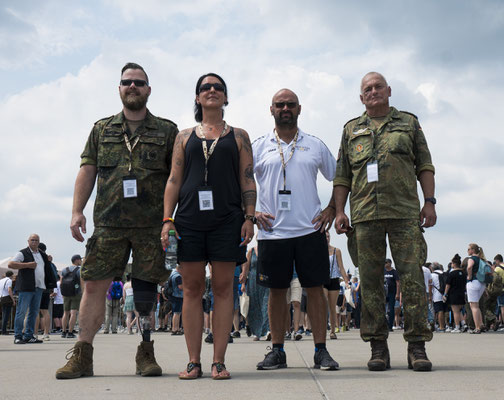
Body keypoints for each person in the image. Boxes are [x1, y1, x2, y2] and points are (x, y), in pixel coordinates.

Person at [55, 63, 178, 379]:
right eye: (127, 82)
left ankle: (146, 354)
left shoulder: (167, 131)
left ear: (148, 89)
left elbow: (176, 178)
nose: (133, 86)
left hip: (151, 225)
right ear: (119, 88)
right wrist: (76, 211)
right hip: (108, 224)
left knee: (147, 290)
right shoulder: (102, 129)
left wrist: (170, 219)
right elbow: (87, 170)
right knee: (93, 284)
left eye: (139, 82)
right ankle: (82, 356)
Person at [333, 72, 436, 372]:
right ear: (361, 97)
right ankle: (378, 347)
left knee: (413, 279)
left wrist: (429, 202)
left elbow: (425, 165)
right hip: (365, 215)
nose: (374, 91)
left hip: (405, 212)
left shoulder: (409, 123)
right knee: (371, 283)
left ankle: (417, 346)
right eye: (368, 89)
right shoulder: (351, 129)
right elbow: (343, 176)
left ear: (389, 91)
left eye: (378, 87)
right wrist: (340, 211)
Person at [161, 72, 255, 380]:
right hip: (188, 220)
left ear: (226, 97)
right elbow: (174, 179)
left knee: (224, 288)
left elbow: (247, 178)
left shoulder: (239, 135)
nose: (212, 91)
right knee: (191, 289)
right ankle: (193, 360)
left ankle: (218, 360)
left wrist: (249, 216)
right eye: (205, 88)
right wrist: (167, 219)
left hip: (227, 220)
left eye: (218, 87)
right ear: (198, 98)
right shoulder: (184, 136)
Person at [253, 88, 339, 371]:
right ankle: (277, 351)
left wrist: (332, 210)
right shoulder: (259, 146)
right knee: (276, 292)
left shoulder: (314, 144)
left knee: (315, 290)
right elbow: (237, 181)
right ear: (271, 109)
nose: (285, 108)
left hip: (309, 230)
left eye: (290, 104)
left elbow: (340, 178)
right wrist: (250, 212)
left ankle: (321, 350)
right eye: (280, 104)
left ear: (299, 109)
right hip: (272, 232)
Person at [8, 234, 57, 344]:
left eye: (36, 240)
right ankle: (18, 335)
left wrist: (49, 259)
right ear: (28, 241)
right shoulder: (22, 253)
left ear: (39, 242)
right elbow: (11, 264)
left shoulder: (41, 254)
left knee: (34, 313)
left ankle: (29, 336)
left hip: (39, 287)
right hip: (26, 287)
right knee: (21, 312)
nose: (34, 242)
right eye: (32, 240)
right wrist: (27, 265)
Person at [324, 231, 349, 340]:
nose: (327, 238)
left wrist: (346, 281)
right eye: (325, 236)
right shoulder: (317, 250)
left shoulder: (336, 251)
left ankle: (333, 331)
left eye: (328, 236)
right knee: (324, 304)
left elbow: (341, 268)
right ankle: (322, 329)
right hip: (322, 280)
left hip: (334, 280)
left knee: (332, 307)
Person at [241, 246, 270, 340]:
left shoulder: (266, 249)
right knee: (254, 306)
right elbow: (245, 269)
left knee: (265, 304)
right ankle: (256, 332)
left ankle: (266, 331)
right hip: (253, 281)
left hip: (265, 279)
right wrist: (243, 284)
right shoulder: (251, 251)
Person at [465, 243, 487, 334]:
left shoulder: (472, 259)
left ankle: (477, 327)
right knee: (476, 306)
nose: (468, 251)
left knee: (473, 306)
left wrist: (469, 276)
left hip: (473, 282)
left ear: (473, 250)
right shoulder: (481, 259)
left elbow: (469, 267)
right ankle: (481, 324)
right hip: (481, 283)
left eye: (469, 249)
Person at [60, 254, 83, 339]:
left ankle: (63, 332)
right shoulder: (79, 270)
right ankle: (70, 332)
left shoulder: (64, 270)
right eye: (80, 260)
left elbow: (61, 282)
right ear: (76, 260)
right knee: (73, 313)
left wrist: (62, 292)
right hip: (76, 293)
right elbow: (82, 282)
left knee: (65, 312)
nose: (81, 261)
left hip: (65, 293)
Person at [443, 254, 466, 333]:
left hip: (454, 294)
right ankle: (464, 324)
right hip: (461, 293)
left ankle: (457, 327)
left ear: (453, 263)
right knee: (459, 311)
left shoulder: (452, 274)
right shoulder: (463, 273)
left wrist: (445, 294)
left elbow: (447, 285)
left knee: (455, 311)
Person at [384, 259, 400, 332]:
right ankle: (384, 325)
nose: (385, 264)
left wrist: (397, 293)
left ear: (390, 263)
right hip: (384, 293)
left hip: (392, 293)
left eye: (386, 263)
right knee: (383, 309)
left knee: (391, 309)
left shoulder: (394, 272)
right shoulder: (383, 271)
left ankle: (390, 326)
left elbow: (398, 283)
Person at [1, 270, 15, 335]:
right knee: (6, 315)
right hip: (7, 298)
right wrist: (13, 299)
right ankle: (4, 331)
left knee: (4, 314)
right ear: (11, 275)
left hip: (1, 298)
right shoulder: (9, 280)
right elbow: (9, 290)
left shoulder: (1, 280)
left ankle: (3, 330)